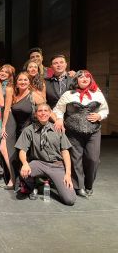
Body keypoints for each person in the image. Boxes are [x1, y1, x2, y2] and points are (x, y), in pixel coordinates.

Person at [53, 70, 109, 198]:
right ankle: (79, 186)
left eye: (87, 77)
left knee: (93, 159)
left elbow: (104, 110)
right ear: (76, 80)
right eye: (81, 77)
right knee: (75, 159)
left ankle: (89, 184)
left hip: (93, 131)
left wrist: (100, 115)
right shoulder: (68, 94)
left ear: (91, 79)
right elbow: (58, 109)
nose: (84, 79)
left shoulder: (97, 93)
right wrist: (60, 119)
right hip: (73, 131)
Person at [15, 103, 76, 206]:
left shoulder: (57, 129)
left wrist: (68, 174)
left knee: (70, 200)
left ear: (50, 113)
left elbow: (65, 152)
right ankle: (32, 186)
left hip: (56, 166)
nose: (43, 113)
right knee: (24, 171)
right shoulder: (29, 130)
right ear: (36, 114)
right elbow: (22, 150)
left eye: (46, 111)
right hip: (40, 163)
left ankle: (47, 182)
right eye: (40, 111)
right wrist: (25, 163)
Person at [2, 71, 44, 188]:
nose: (23, 82)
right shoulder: (14, 95)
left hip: (30, 130)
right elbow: (6, 109)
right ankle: (23, 182)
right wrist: (4, 126)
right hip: (18, 129)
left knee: (28, 157)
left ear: (29, 82)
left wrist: (57, 121)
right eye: (20, 80)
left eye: (26, 80)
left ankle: (31, 185)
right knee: (19, 157)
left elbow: (45, 109)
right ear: (16, 83)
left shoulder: (33, 95)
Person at [0, 64, 16, 189]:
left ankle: (13, 179)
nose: (2, 73)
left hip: (7, 120)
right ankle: (10, 177)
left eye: (6, 72)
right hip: (0, 118)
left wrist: (3, 126)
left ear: (10, 76)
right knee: (4, 149)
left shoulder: (9, 88)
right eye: (2, 71)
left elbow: (6, 108)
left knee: (5, 149)